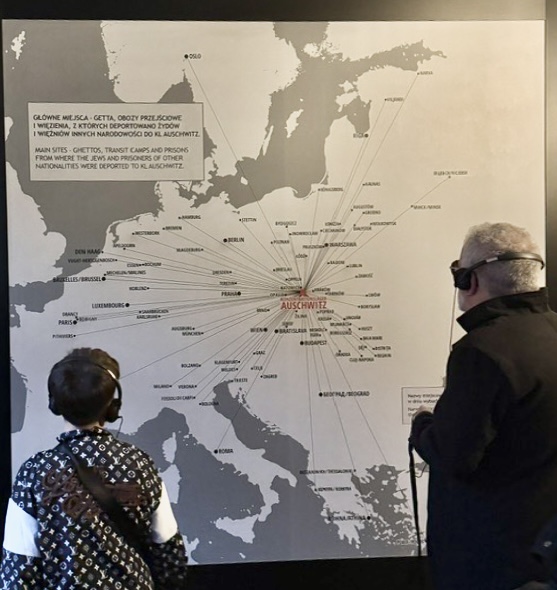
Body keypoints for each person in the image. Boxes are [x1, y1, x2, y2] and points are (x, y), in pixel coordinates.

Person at [409, 222, 557, 590]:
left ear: (468, 280)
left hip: (491, 560)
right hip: (544, 555)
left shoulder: (481, 352)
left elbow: (454, 456)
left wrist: (422, 425)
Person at [0, 347, 188, 589]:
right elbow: (170, 559)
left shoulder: (34, 473)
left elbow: (18, 571)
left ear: (54, 404)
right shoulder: (140, 464)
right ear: (112, 406)